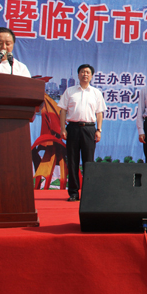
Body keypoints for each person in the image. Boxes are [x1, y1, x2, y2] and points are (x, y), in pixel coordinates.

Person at [58, 64, 106, 202]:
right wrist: (63, 129)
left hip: (89, 129)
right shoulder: (69, 91)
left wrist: (99, 130)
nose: (85, 74)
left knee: (88, 162)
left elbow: (99, 113)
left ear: (91, 76)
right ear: (78, 75)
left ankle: (87, 193)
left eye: (87, 72)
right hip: (73, 128)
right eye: (82, 72)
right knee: (72, 161)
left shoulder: (96, 92)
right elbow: (63, 111)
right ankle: (73, 192)